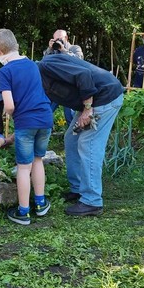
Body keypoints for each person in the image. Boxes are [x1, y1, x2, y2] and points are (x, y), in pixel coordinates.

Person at [37, 52, 125, 216]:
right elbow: (49, 106)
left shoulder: (47, 66)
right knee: (71, 139)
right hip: (93, 101)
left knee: (88, 144)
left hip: (104, 97)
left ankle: (91, 201)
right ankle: (78, 189)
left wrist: (87, 108)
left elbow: (83, 75)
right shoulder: (42, 77)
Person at [0, 28, 54, 225]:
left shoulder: (4, 71)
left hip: (26, 122)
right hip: (45, 118)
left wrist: (7, 113)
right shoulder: (32, 64)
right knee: (38, 160)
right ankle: (40, 203)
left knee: (23, 166)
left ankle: (23, 211)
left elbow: (10, 105)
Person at [42, 29, 83, 126]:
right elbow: (43, 64)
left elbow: (79, 62)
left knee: (70, 118)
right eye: (56, 40)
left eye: (60, 39)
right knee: (45, 112)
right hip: (56, 88)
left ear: (66, 38)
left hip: (70, 89)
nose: (58, 42)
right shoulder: (53, 51)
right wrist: (49, 49)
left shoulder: (75, 48)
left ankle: (73, 138)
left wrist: (63, 50)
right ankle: (47, 135)